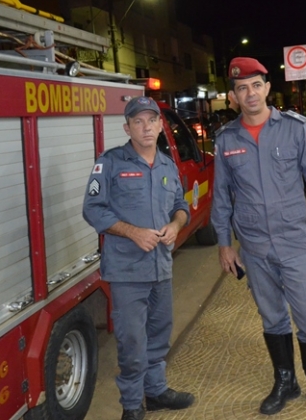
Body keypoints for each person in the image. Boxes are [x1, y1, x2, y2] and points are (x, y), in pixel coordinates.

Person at [211, 57, 306, 415]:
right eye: (242, 88)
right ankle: (285, 380)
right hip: (253, 247)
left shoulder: (295, 129)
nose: (250, 93)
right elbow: (221, 196)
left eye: (256, 85)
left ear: (268, 88)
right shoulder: (226, 140)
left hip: (293, 242)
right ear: (234, 96)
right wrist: (224, 243)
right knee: (272, 317)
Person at [83, 96, 195, 420]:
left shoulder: (167, 164)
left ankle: (156, 391)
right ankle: (132, 406)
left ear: (161, 126)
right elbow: (92, 209)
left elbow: (181, 206)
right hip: (127, 270)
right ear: (127, 127)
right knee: (132, 342)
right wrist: (133, 232)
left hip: (161, 265)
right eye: (138, 122)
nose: (146, 127)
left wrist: (175, 225)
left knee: (160, 333)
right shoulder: (111, 163)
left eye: (151, 121)